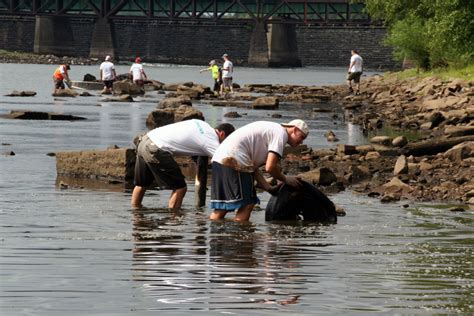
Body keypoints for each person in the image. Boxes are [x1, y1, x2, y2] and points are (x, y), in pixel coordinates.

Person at [209, 119, 309, 222]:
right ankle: (239, 235)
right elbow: (270, 167)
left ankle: (216, 235)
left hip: (219, 159)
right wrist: (286, 179)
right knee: (247, 204)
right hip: (234, 160)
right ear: (295, 130)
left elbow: (253, 167)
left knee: (222, 208)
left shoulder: (272, 130)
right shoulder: (281, 134)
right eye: (302, 137)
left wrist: (268, 188)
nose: (301, 142)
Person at [131, 119, 235, 210]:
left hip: (145, 140)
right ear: (221, 134)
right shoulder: (211, 140)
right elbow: (224, 161)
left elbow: (190, 140)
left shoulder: (201, 124)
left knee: (141, 184)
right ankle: (173, 222)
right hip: (156, 148)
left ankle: (135, 213)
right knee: (180, 188)